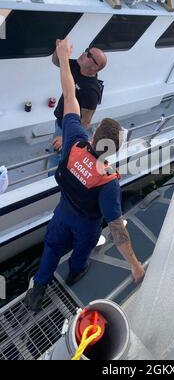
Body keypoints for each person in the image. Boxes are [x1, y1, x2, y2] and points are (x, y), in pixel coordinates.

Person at [25, 39, 145, 312]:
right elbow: (117, 231)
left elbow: (69, 94)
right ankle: (76, 273)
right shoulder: (108, 182)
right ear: (114, 150)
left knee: (51, 249)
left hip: (62, 212)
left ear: (94, 135)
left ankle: (38, 290)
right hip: (86, 226)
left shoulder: (74, 141)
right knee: (80, 253)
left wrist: (64, 58)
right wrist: (135, 266)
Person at [48, 43, 107, 175]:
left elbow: (85, 122)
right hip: (60, 122)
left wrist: (66, 137)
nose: (85, 53)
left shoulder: (91, 91)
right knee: (54, 151)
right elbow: (56, 61)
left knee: (57, 158)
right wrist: (59, 47)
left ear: (95, 68)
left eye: (90, 55)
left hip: (68, 130)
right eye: (87, 51)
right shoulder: (76, 65)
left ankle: (52, 182)